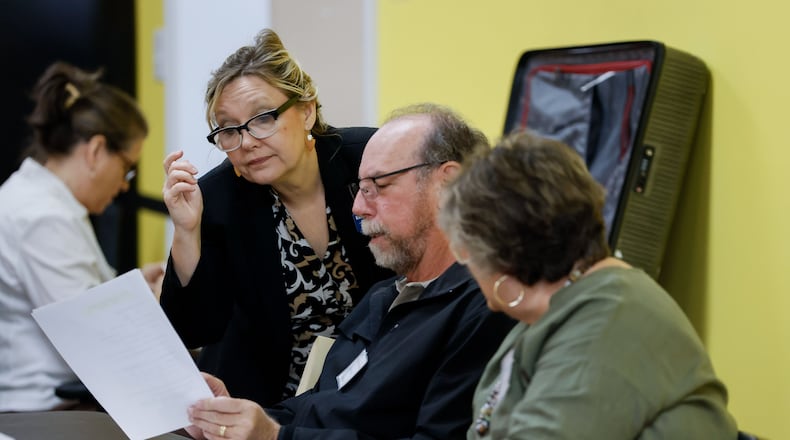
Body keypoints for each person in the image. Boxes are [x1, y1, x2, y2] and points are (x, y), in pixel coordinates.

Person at [184, 103, 516, 440]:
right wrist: (231, 417)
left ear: (448, 184)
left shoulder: (485, 307)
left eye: (379, 186)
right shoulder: (383, 297)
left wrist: (275, 436)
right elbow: (319, 406)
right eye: (361, 188)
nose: (358, 207)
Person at [436, 131, 738, 439]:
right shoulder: (558, 310)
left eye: (464, 250)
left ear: (502, 254)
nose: (467, 265)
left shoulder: (613, 316)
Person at [160, 28, 392, 407]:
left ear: (306, 111)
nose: (247, 140)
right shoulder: (217, 199)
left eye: (263, 118)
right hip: (266, 402)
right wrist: (187, 231)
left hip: (374, 389)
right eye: (229, 129)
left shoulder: (368, 160)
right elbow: (194, 330)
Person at [0, 61, 164, 412]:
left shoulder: (49, 204)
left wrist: (132, 286)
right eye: (127, 168)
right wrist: (151, 303)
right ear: (95, 151)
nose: (123, 185)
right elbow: (95, 335)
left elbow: (79, 300)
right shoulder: (41, 216)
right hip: (41, 413)